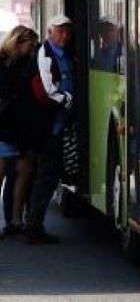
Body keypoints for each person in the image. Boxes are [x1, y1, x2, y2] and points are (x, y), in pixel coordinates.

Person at [25, 15, 74, 244]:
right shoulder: (45, 53)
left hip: (58, 125)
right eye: (60, 31)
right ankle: (33, 227)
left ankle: (33, 224)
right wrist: (67, 99)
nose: (64, 35)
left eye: (67, 31)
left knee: (49, 175)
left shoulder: (64, 53)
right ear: (50, 32)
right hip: (48, 127)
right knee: (46, 176)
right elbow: (48, 90)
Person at [0, 25, 39, 238]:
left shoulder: (29, 62)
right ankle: (13, 219)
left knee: (23, 174)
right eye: (29, 45)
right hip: (4, 125)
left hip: (22, 125)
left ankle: (16, 219)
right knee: (4, 173)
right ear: (18, 42)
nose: (31, 49)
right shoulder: (3, 61)